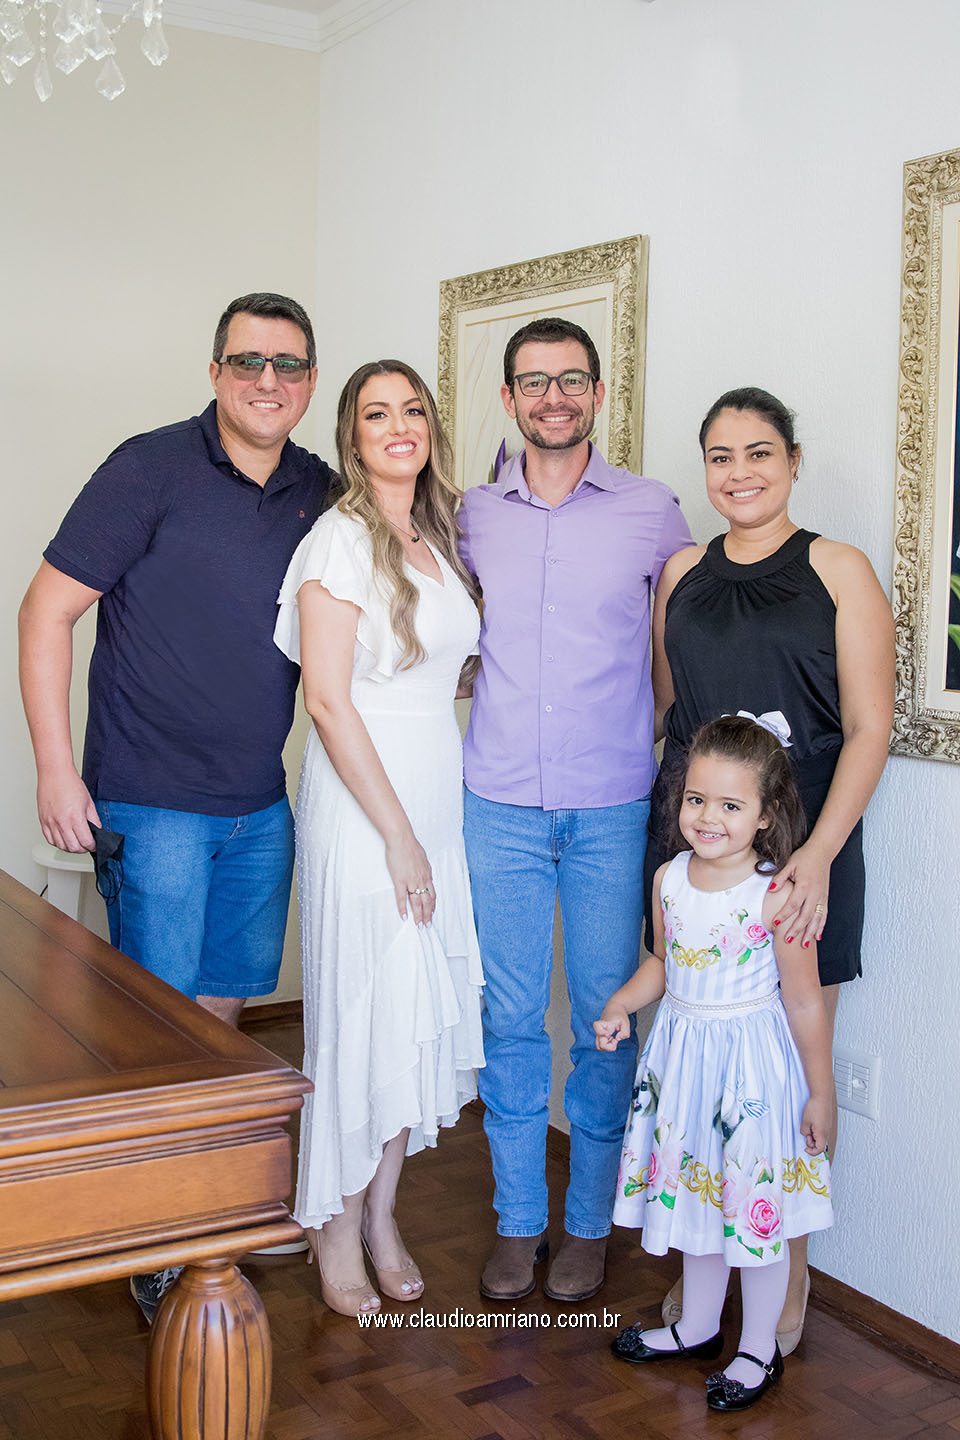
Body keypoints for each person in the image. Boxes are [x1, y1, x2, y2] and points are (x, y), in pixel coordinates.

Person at [18, 292, 334, 1320]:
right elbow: (45, 612)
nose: (267, 381)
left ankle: (208, 1210)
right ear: (215, 373)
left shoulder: (319, 491)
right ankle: (155, 1240)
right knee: (157, 1033)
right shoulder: (147, 468)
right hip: (149, 801)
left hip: (259, 806)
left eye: (288, 364)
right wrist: (57, 771)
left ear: (310, 381)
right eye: (247, 361)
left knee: (221, 1021)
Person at [646, 386, 894, 1349]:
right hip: (695, 845)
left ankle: (787, 1272)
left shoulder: (838, 569)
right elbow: (671, 714)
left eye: (759, 452)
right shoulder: (681, 572)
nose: (739, 472)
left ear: (793, 461)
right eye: (721, 456)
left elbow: (869, 729)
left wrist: (818, 854)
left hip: (804, 845)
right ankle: (709, 1264)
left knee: (787, 1066)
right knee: (700, 1061)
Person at [458, 316, 692, 1304]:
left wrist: (657, 740)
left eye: (571, 380)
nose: (552, 397)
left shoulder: (651, 510)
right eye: (533, 381)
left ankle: (590, 1225)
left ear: (597, 393)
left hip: (610, 808)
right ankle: (519, 1222)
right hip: (499, 804)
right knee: (510, 1020)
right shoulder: (470, 513)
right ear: (509, 397)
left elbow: (678, 646)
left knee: (607, 1020)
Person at [274, 360, 484, 1317]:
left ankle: (383, 1213)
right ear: (352, 439)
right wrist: (398, 836)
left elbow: (444, 673)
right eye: (376, 414)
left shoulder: (437, 538)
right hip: (367, 814)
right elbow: (326, 700)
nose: (399, 426)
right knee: (360, 1014)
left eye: (412, 411)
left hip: (436, 801)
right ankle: (333, 1222)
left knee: (408, 1016)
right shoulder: (338, 538)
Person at [597, 715, 836, 1414]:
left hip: (750, 1074)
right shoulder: (669, 878)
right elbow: (663, 964)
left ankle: (759, 1347)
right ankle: (697, 1326)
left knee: (752, 1210)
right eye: (696, 799)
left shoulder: (776, 894)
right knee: (699, 1195)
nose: (708, 817)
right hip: (683, 1066)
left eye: (731, 805)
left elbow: (805, 1001)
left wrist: (820, 1093)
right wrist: (621, 1005)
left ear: (765, 815)